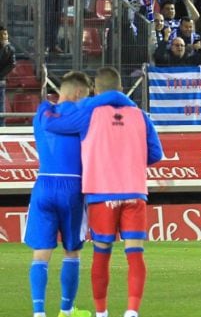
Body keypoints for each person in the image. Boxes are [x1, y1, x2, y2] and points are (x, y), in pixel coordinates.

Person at [44, 67, 164, 317]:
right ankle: (132, 312)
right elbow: (155, 154)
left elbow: (55, 125)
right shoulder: (141, 116)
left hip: (101, 193)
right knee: (135, 253)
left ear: (96, 90)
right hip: (134, 192)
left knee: (101, 254)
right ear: (121, 88)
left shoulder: (89, 112)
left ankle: (102, 313)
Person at [26, 72, 93, 317]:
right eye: (85, 96)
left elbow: (52, 119)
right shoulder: (84, 115)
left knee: (41, 252)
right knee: (72, 251)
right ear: (77, 93)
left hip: (43, 185)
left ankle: (39, 313)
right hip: (73, 187)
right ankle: (66, 311)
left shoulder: (41, 113)